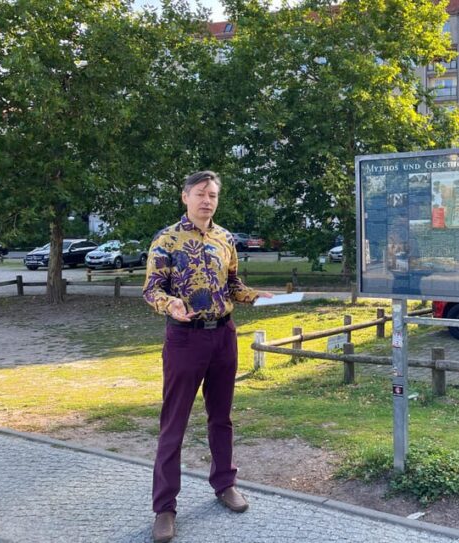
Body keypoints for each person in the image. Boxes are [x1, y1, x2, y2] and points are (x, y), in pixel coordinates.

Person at [142, 170, 273, 543]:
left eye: (213, 195)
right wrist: (170, 304)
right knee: (174, 424)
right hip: (185, 340)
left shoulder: (225, 238)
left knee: (222, 417)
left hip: (223, 338)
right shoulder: (166, 240)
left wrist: (253, 295)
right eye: (200, 193)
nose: (207, 200)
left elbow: (233, 285)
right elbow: (151, 289)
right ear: (185, 196)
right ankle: (164, 507)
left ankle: (224, 484)